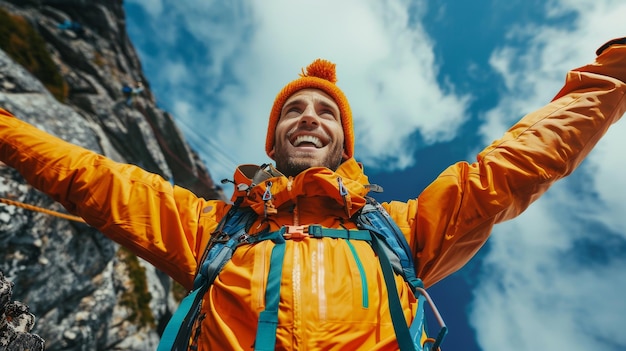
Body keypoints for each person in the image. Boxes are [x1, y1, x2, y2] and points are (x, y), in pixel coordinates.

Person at [1, 37, 625, 350]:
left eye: (325, 113)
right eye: (293, 111)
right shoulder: (210, 227)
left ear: (343, 141)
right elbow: (90, 176)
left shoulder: (403, 231)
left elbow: (517, 165)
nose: (308, 118)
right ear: (273, 139)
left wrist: (613, 74)